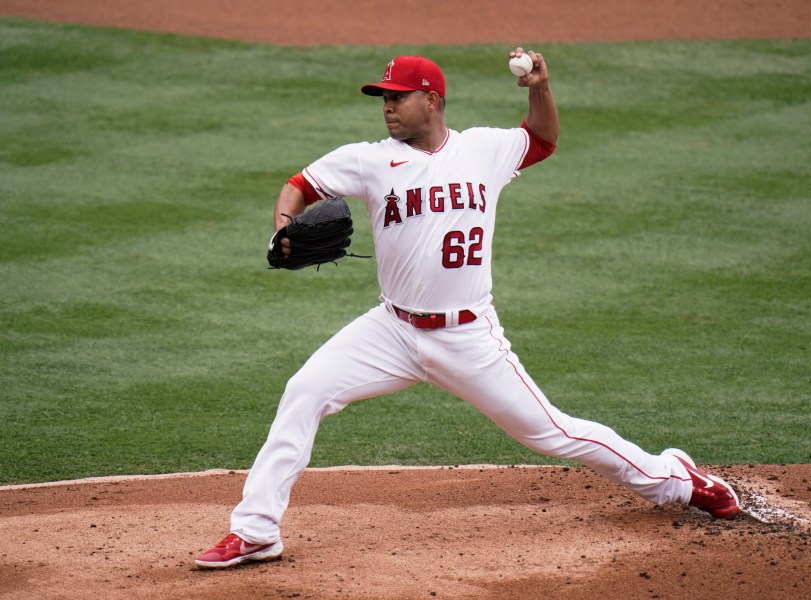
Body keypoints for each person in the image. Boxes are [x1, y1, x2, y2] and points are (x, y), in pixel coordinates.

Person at [195, 49, 740, 569]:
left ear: (432, 100)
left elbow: (542, 139)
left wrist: (541, 88)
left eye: (398, 96)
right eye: (382, 97)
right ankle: (256, 530)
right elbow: (299, 185)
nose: (386, 106)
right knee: (304, 391)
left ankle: (675, 478)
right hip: (392, 328)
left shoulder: (483, 149)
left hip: (468, 337)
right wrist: (284, 228)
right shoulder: (368, 160)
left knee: (554, 433)